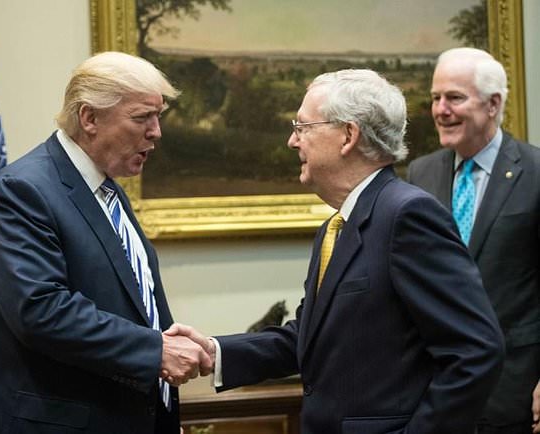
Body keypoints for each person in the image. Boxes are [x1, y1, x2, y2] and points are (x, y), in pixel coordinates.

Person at [167, 69, 505, 434]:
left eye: (303, 127)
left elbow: (476, 352)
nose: (292, 141)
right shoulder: (337, 225)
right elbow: (309, 336)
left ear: (348, 135)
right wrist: (216, 353)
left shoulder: (407, 215)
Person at [0, 51, 212, 434]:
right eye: (141, 118)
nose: (156, 132)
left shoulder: (107, 190)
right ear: (89, 118)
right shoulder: (23, 191)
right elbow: (41, 309)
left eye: (158, 116)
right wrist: (156, 351)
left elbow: (130, 303)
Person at [407, 47, 540, 434]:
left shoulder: (535, 173)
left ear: (494, 104)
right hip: (433, 394)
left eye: (454, 98)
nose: (440, 110)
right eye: (435, 98)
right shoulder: (421, 174)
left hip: (512, 392)